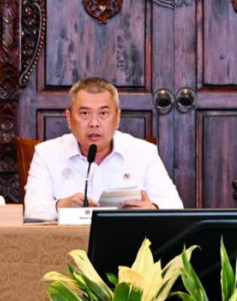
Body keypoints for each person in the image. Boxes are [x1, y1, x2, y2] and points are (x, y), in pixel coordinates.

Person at [24, 77, 184, 220]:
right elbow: (30, 210)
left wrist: (152, 209)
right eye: (85, 113)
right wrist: (61, 206)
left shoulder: (144, 153)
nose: (94, 123)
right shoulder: (46, 154)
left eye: (103, 113)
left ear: (118, 118)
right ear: (69, 118)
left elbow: (175, 207)